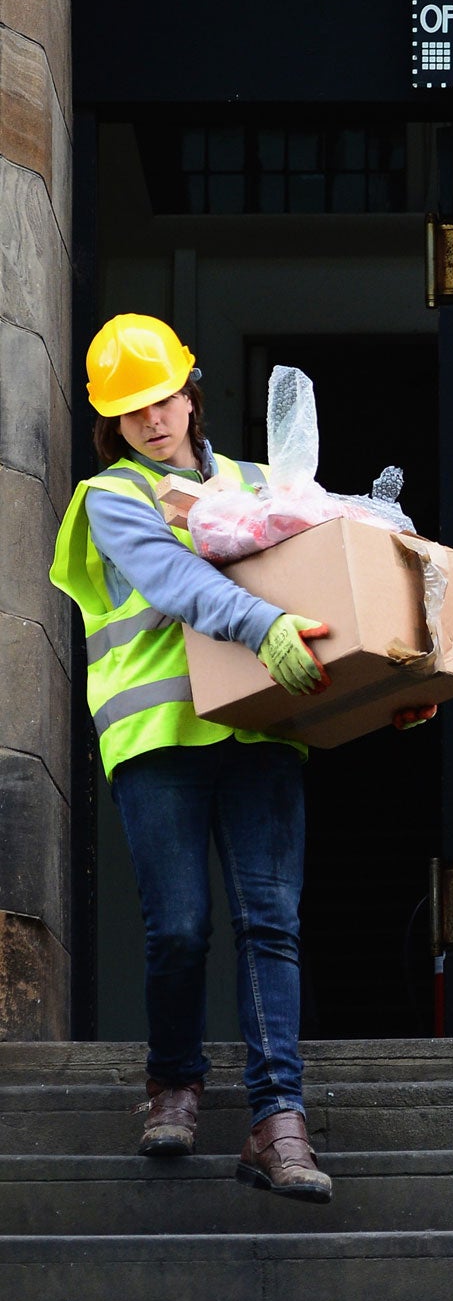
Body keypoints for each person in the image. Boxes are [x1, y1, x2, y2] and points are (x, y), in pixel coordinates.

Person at [51, 315, 342, 1198]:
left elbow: (332, 580)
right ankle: (173, 1082)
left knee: (270, 925)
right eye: (132, 407)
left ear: (191, 391)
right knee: (178, 928)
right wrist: (269, 626)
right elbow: (178, 586)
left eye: (165, 396)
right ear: (112, 420)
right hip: (159, 739)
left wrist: (381, 682)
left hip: (259, 732)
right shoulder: (111, 497)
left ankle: (277, 1120)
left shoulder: (264, 482)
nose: (153, 418)